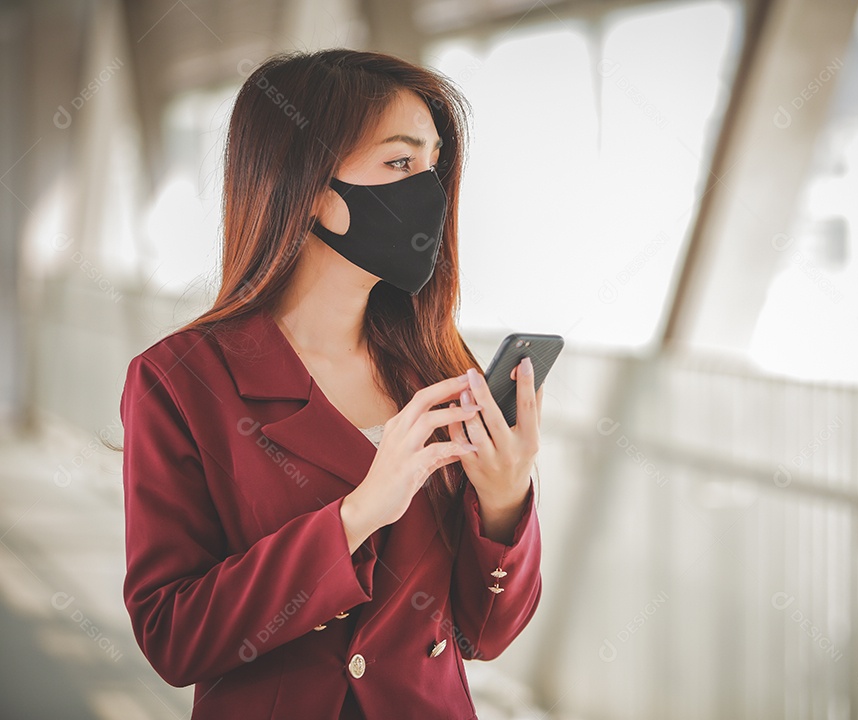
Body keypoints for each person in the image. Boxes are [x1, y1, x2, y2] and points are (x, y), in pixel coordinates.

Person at [119, 49, 543, 719]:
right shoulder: (181, 381)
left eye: (434, 166)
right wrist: (357, 514)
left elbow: (483, 634)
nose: (428, 193)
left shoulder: (435, 365)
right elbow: (173, 636)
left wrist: (504, 501)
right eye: (401, 163)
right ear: (306, 182)